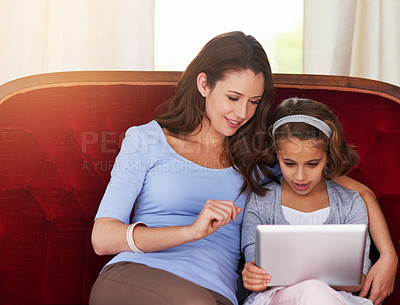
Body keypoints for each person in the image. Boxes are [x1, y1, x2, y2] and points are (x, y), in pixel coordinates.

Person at [90, 31, 396, 305]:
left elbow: (357, 192)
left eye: (254, 101)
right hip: (137, 276)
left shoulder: (259, 158)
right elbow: (103, 237)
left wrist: (389, 257)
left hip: (217, 294)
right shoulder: (145, 139)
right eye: (233, 98)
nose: (242, 113)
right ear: (204, 84)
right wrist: (190, 231)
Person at [240, 97, 391, 305]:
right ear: (277, 154)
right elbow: (256, 268)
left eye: (312, 164)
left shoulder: (349, 204)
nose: (300, 176)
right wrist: (252, 276)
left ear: (328, 156)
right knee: (311, 290)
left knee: (314, 291)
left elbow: (356, 281)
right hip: (275, 300)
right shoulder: (261, 201)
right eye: (289, 163)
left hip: (337, 299)